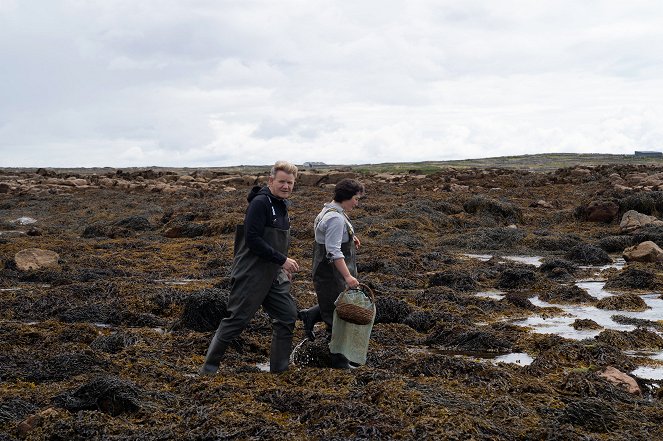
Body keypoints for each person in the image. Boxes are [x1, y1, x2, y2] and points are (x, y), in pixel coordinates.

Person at [200, 161, 300, 375]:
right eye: (282, 181)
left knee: (287, 315)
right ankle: (208, 370)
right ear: (271, 180)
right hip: (251, 274)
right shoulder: (260, 203)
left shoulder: (282, 206)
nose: (286, 186)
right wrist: (282, 260)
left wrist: (281, 267)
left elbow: (275, 241)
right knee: (236, 321)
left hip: (273, 275)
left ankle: (279, 371)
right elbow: (253, 240)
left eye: (290, 183)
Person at [298, 178, 365, 368]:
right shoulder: (335, 217)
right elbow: (333, 251)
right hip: (331, 272)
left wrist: (352, 237)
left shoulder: (330, 210)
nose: (357, 203)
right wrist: (348, 276)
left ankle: (311, 314)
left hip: (325, 270)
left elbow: (328, 234)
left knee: (336, 305)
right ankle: (339, 361)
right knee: (339, 315)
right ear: (346, 197)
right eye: (356, 198)